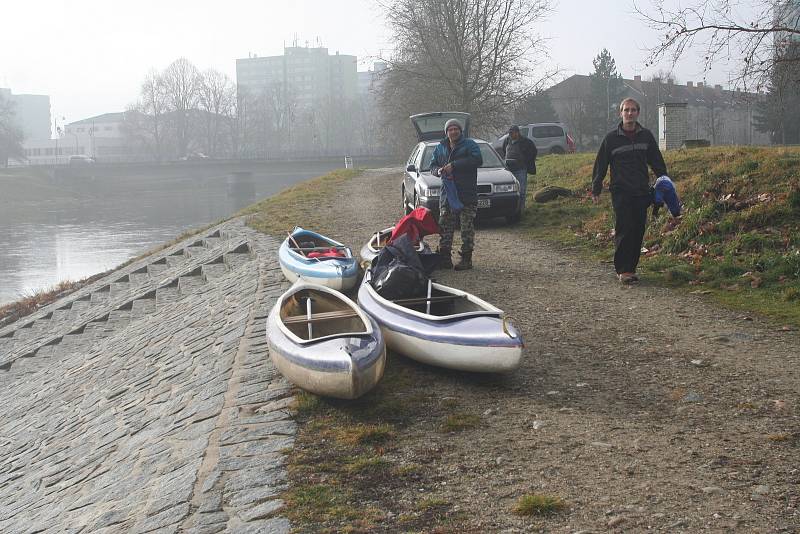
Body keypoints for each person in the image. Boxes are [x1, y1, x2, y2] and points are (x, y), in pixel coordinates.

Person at [592, 97, 667, 284]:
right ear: (621, 113)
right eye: (626, 110)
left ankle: (631, 269)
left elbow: (657, 161)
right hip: (621, 191)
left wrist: (665, 182)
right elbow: (600, 164)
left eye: (633, 110)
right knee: (624, 229)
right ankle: (623, 270)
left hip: (642, 191)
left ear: (638, 113)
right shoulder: (611, 139)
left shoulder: (646, 136)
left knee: (638, 230)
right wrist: (596, 187)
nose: (630, 113)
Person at [429, 118, 483, 270]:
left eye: (456, 129)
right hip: (447, 194)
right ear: (446, 132)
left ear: (460, 131)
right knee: (445, 227)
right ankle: (445, 258)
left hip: (467, 193)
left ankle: (466, 259)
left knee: (466, 228)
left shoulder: (470, 145)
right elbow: (432, 165)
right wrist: (438, 171)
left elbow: (478, 160)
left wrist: (454, 165)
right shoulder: (440, 147)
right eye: (450, 129)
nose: (453, 132)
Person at [500, 125, 537, 218]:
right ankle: (511, 210)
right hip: (509, 170)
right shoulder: (507, 140)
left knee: (521, 191)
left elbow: (533, 152)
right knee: (511, 191)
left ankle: (521, 210)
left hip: (520, 169)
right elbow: (504, 151)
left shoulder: (526, 142)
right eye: (509, 133)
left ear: (517, 132)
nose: (511, 135)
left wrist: (525, 160)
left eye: (512, 133)